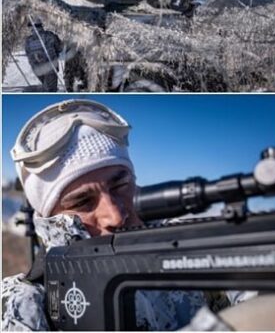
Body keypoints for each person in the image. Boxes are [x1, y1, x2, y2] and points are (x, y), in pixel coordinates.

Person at [1, 100, 238, 330]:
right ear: (51, 220)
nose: (114, 216)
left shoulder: (187, 252)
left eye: (120, 186)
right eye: (83, 202)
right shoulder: (24, 304)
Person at [24, 22, 62, 92]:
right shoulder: (50, 35)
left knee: (46, 87)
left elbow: (28, 53)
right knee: (50, 89)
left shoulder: (28, 40)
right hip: (50, 67)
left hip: (37, 69)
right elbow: (59, 48)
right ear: (41, 26)